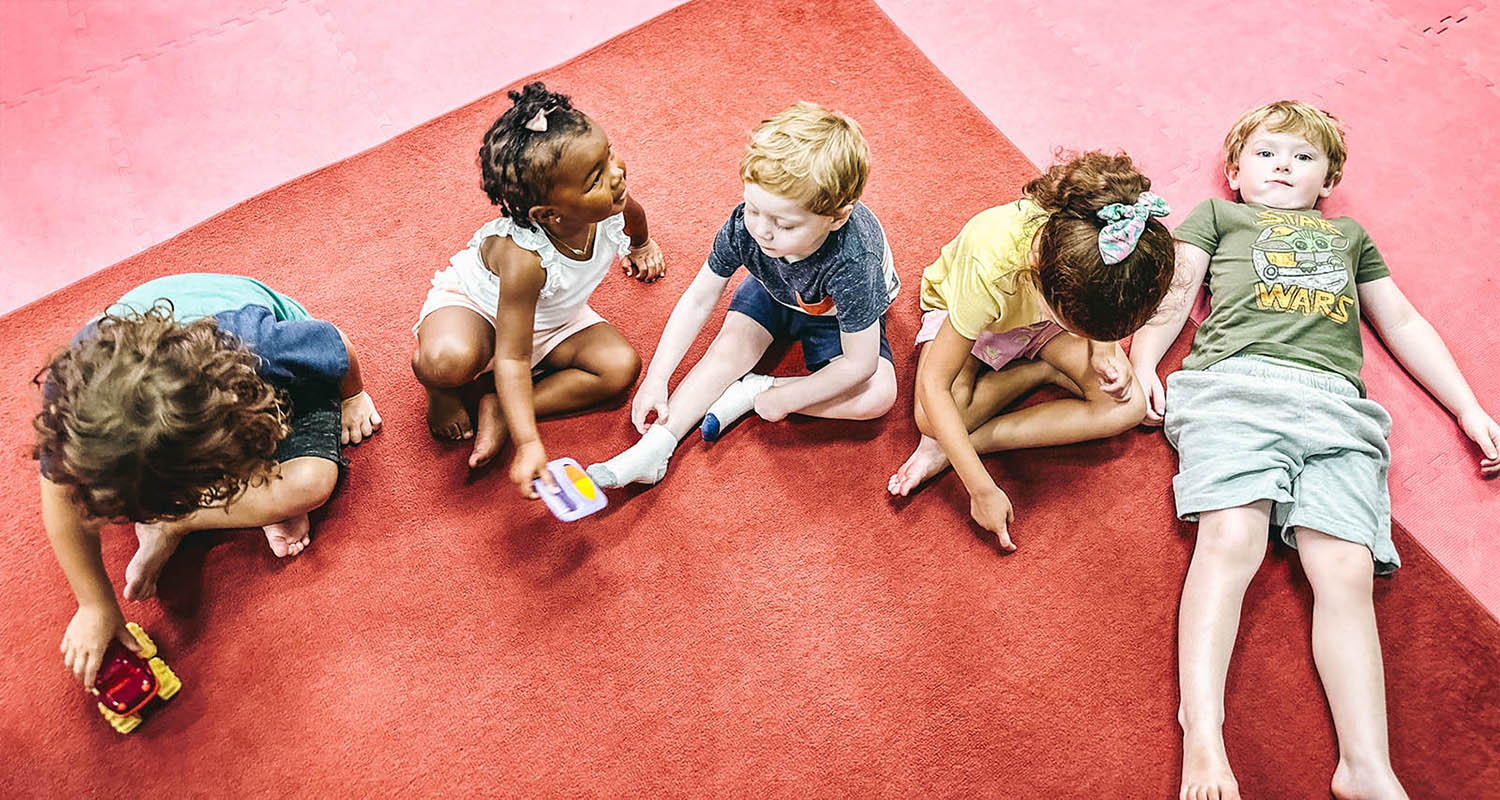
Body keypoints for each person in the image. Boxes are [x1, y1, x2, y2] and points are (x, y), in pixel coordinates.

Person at [1129, 100, 1500, 800]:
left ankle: (1366, 766)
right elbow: (1176, 292)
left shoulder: (1349, 236)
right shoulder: (1218, 217)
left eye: (1303, 158)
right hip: (1237, 388)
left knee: (1347, 570)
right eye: (1267, 154)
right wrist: (1146, 359)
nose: (1283, 167)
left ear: (1328, 180)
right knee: (1232, 539)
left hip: (1337, 408)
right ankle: (1203, 736)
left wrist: (1470, 407)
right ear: (1235, 171)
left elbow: (1402, 320)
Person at [35, 273, 381, 686]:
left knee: (311, 482)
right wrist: (95, 603)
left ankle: (181, 523)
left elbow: (333, 342)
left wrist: (352, 397)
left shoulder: (260, 345)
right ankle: (215, 509)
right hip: (178, 398)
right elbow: (58, 490)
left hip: (277, 383)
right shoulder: (74, 401)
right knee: (95, 486)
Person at [586, 101, 899, 489]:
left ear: (837, 217)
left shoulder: (853, 262)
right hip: (774, 290)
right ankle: (654, 450)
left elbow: (860, 364)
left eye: (784, 224)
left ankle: (750, 391)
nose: (763, 232)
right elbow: (699, 298)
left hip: (835, 316)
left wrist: (787, 396)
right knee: (727, 350)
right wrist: (657, 376)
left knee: (880, 395)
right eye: (754, 209)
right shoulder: (745, 227)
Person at [887, 152, 1177, 549]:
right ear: (1042, 271)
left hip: (1049, 318)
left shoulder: (1091, 261)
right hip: (980, 319)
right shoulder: (990, 264)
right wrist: (981, 488)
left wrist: (1104, 347)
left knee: (1129, 406)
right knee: (930, 418)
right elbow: (934, 386)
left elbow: (1094, 300)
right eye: (1088, 329)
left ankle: (961, 446)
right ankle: (1031, 376)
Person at [411, 82, 664, 494]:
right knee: (446, 360)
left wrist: (641, 245)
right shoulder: (526, 258)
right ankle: (440, 392)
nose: (616, 173)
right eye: (594, 177)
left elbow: (634, 216)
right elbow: (512, 355)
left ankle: (500, 406)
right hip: (479, 310)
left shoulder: (610, 202)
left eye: (609, 153)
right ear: (549, 214)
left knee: (619, 367)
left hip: (552, 317)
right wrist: (529, 443)